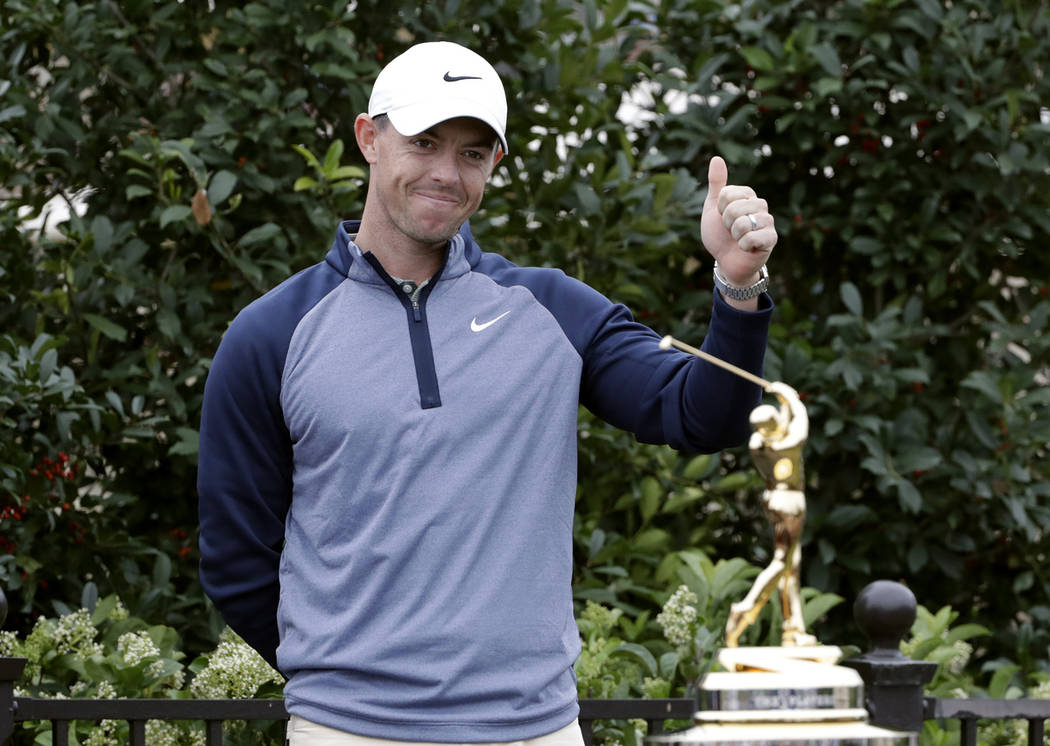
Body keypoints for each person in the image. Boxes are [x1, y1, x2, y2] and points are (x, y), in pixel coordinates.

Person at [197, 41, 778, 746]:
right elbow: (235, 558)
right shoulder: (271, 335)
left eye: (473, 153)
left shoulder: (552, 309)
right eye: (425, 141)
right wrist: (340, 676)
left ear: (495, 165)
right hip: (348, 733)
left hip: (535, 731)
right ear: (368, 138)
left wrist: (738, 284)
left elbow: (700, 416)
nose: (446, 172)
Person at [724, 381, 815, 649]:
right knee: (781, 561)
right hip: (790, 503)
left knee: (792, 566)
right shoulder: (789, 443)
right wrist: (791, 397)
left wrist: (782, 403)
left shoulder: (760, 444)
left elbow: (781, 425)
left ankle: (793, 627)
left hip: (773, 498)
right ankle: (745, 609)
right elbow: (800, 423)